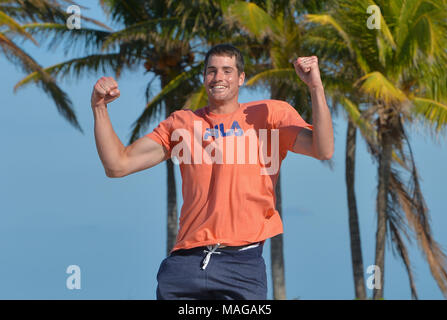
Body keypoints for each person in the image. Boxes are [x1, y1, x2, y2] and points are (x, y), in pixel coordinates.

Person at [91, 44, 334, 300]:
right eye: (212, 71)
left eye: (227, 71)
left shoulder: (269, 115)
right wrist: (99, 107)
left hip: (241, 266)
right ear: (204, 77)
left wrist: (315, 87)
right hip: (185, 266)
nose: (218, 77)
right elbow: (117, 165)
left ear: (241, 78)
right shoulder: (182, 124)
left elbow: (323, 148)